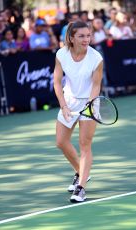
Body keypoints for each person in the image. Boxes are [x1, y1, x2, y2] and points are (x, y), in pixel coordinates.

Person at [53, 21, 103, 202]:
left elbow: (96, 85)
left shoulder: (96, 58)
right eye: (81, 36)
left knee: (84, 144)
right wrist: (64, 106)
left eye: (88, 35)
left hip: (89, 102)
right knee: (61, 141)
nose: (86, 39)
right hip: (68, 101)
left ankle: (81, 187)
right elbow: (57, 81)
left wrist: (90, 105)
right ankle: (80, 171)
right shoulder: (61, 54)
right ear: (72, 38)